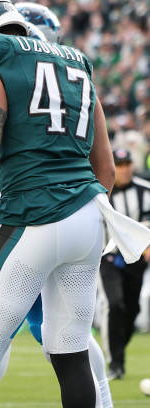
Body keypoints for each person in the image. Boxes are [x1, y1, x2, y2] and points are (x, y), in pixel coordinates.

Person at [0, 0, 117, 406]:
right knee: (71, 356)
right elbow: (104, 167)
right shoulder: (77, 60)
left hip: (29, 218)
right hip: (87, 217)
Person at [100, 148, 150, 380]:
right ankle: (115, 364)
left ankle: (118, 349)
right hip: (109, 258)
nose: (124, 168)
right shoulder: (101, 193)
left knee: (132, 310)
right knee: (115, 304)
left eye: (127, 163)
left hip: (137, 258)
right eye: (119, 164)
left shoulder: (145, 191)